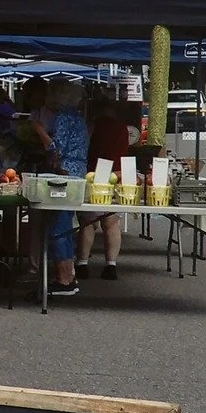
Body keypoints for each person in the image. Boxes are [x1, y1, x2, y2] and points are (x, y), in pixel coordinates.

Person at [77, 91, 134, 281]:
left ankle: (83, 263)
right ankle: (111, 265)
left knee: (88, 223)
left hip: (93, 175)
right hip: (117, 175)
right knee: (111, 223)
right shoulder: (122, 128)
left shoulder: (91, 127)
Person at [42, 76, 89, 300]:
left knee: (59, 227)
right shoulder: (78, 118)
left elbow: (55, 147)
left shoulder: (62, 117)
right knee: (67, 225)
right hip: (78, 171)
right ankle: (69, 274)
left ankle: (64, 279)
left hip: (64, 174)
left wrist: (39, 131)